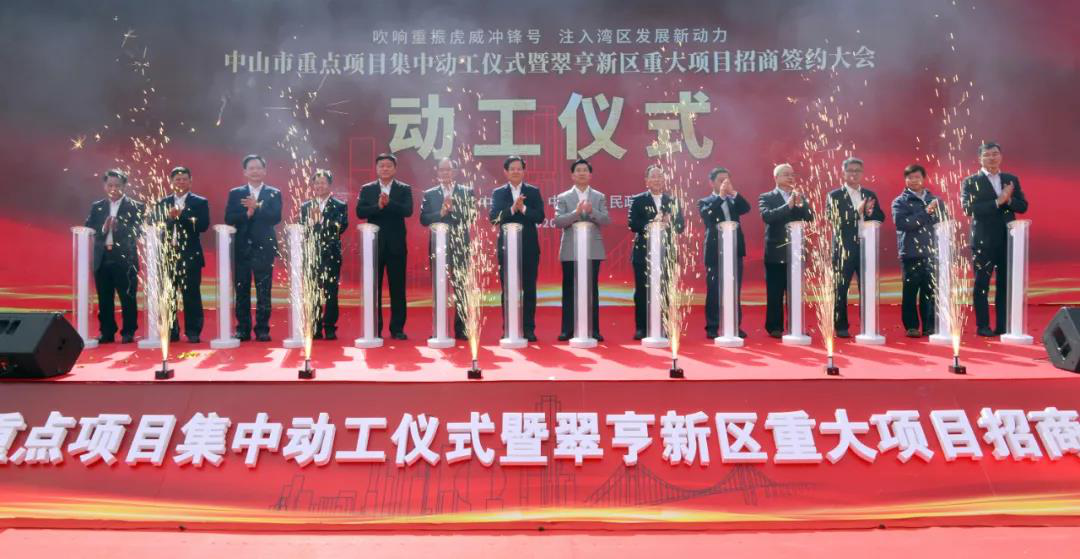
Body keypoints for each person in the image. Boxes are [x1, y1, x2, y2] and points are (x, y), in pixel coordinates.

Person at [962, 141, 1029, 336]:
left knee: (1005, 284)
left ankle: (1003, 326)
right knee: (981, 284)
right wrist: (998, 201)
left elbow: (1023, 206)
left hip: (1008, 240)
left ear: (1001, 156)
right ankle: (983, 325)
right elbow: (969, 209)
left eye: (995, 154)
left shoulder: (1011, 179)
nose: (992, 158)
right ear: (980, 158)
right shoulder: (970, 181)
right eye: (987, 155)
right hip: (983, 241)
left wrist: (1009, 199)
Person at [356, 153, 413, 340]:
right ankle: (375, 327)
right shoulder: (367, 189)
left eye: (389, 166)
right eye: (381, 166)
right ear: (376, 168)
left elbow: (408, 211)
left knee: (398, 288)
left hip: (396, 246)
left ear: (395, 168)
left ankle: (397, 329)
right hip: (374, 245)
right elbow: (360, 212)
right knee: (374, 288)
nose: (385, 169)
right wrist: (378, 206)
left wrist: (390, 203)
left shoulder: (404, 188)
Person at [827, 157, 886, 338]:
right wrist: (857, 211)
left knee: (867, 287)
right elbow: (834, 219)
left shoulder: (869, 194)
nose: (854, 174)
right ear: (843, 173)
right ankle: (841, 326)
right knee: (840, 289)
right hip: (844, 248)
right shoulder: (834, 195)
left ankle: (867, 325)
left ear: (862, 173)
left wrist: (869, 212)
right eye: (850, 170)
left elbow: (880, 217)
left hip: (866, 247)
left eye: (857, 171)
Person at [225, 154, 282, 342]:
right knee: (241, 290)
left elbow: (275, 217)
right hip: (241, 248)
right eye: (251, 168)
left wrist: (257, 207)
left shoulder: (274, 193)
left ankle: (262, 329)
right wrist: (247, 214)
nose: (255, 171)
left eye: (258, 168)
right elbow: (229, 218)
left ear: (264, 171)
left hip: (264, 248)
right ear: (245, 172)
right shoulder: (236, 193)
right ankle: (242, 328)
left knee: (264, 290)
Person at [85, 169, 145, 344]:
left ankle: (128, 331)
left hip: (125, 259)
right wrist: (104, 228)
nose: (113, 189)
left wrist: (119, 227)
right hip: (102, 257)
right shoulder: (97, 206)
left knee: (127, 297)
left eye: (117, 185)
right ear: (105, 186)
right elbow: (88, 227)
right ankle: (107, 332)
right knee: (104, 298)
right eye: (110, 185)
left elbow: (138, 231)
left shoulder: (136, 206)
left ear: (124, 186)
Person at [553, 158, 610, 342]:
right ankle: (567, 329)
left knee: (591, 289)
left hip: (592, 248)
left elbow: (606, 220)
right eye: (578, 170)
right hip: (571, 249)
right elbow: (558, 222)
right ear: (572, 175)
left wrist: (592, 212)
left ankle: (594, 329)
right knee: (569, 288)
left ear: (590, 175)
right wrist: (576, 213)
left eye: (585, 170)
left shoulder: (599, 196)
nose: (582, 173)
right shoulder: (563, 197)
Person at [489, 155, 545, 342]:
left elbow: (540, 217)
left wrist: (524, 209)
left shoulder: (533, 191)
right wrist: (513, 208)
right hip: (507, 248)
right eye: (512, 169)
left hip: (529, 248)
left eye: (519, 168)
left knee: (529, 288)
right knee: (508, 288)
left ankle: (528, 329)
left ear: (524, 171)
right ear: (505, 172)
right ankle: (509, 327)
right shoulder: (498, 193)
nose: (515, 171)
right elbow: (494, 218)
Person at [419, 158, 475, 340]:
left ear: (455, 172)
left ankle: (461, 329)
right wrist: (441, 213)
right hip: (438, 245)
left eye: (448, 170)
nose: (445, 173)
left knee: (461, 287)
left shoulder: (466, 191)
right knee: (439, 285)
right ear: (437, 172)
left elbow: (471, 217)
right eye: (442, 170)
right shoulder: (430, 193)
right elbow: (424, 219)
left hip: (460, 245)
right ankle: (439, 328)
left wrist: (453, 210)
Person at [628, 165, 686, 340]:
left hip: (665, 253)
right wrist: (653, 224)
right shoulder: (638, 200)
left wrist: (670, 223)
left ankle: (665, 326)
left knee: (665, 290)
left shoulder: (673, 200)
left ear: (664, 180)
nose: (657, 179)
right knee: (642, 291)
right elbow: (633, 224)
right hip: (643, 253)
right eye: (653, 176)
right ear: (646, 181)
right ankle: (642, 328)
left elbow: (680, 226)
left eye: (660, 176)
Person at [759, 163, 813, 338]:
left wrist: (801, 205)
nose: (790, 177)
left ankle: (795, 325)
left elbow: (809, 217)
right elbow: (767, 217)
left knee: (795, 291)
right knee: (775, 292)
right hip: (775, 252)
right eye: (786, 174)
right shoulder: (766, 197)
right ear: (776, 178)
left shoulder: (799, 196)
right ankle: (775, 327)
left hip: (796, 251)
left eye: (792, 174)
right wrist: (788, 206)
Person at [158, 166, 209, 343]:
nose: (181, 182)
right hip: (168, 254)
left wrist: (182, 216)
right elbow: (155, 223)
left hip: (190, 255)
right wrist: (169, 218)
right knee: (168, 295)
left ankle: (193, 332)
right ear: (171, 182)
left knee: (191, 294)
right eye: (177, 179)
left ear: (190, 181)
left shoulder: (200, 202)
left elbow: (203, 225)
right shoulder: (163, 202)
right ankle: (171, 330)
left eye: (184, 179)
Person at [698, 166, 750, 339]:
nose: (725, 183)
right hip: (715, 252)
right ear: (712, 182)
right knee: (714, 290)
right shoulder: (705, 201)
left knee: (734, 289)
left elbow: (746, 208)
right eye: (721, 180)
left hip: (734, 250)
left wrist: (732, 192)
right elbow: (708, 217)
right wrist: (720, 196)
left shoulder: (733, 199)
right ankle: (713, 326)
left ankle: (735, 325)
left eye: (727, 180)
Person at [891, 164, 942, 337]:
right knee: (910, 292)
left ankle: (929, 326)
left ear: (924, 178)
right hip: (910, 253)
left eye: (917, 177)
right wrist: (926, 212)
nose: (914, 180)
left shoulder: (935, 200)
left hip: (932, 253)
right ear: (905, 180)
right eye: (910, 177)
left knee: (930, 292)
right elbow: (903, 224)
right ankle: (912, 326)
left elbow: (944, 223)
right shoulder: (900, 201)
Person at [300, 169, 348, 340]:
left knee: (331, 291)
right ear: (313, 185)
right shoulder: (306, 206)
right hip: (312, 253)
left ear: (329, 185)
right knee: (313, 291)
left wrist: (320, 220)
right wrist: (311, 222)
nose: (319, 186)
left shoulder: (339, 205)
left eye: (323, 183)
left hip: (331, 254)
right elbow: (302, 228)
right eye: (317, 183)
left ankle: (330, 327)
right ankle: (315, 326)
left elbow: (341, 226)